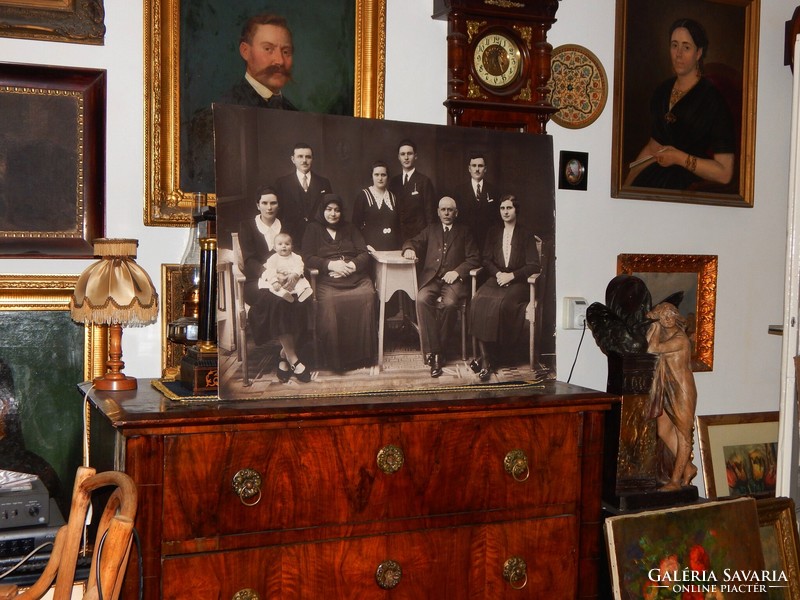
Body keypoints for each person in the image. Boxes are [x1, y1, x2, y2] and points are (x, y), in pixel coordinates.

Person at [625, 18, 735, 190]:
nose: (678, 54)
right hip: (653, 178)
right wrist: (626, 187)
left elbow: (725, 173)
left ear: (698, 53)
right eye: (674, 45)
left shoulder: (712, 100)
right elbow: (653, 147)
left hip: (689, 184)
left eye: (686, 47)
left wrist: (678, 158)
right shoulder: (662, 91)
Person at [238, 186, 310, 383]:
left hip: (288, 278)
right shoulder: (248, 226)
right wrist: (270, 274)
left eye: (273, 203)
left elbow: (297, 252)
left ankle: (283, 356)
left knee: (301, 299)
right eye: (265, 203)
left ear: (278, 205)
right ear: (258, 205)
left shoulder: (286, 224)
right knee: (279, 301)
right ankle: (294, 359)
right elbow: (250, 260)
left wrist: (291, 274)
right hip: (258, 281)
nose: (269, 207)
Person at [402, 197, 480, 377]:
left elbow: (474, 257)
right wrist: (408, 249)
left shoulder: (464, 231)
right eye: (443, 209)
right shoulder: (431, 229)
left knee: (450, 304)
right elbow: (413, 241)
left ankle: (438, 353)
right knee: (421, 299)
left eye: (450, 210)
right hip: (432, 279)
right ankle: (436, 351)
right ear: (438, 212)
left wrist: (458, 272)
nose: (446, 213)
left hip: (454, 281)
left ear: (456, 213)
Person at [301, 194, 377, 371]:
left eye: (337, 210)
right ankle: (337, 361)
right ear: (322, 210)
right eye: (329, 209)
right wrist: (330, 264)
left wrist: (352, 264)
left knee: (368, 295)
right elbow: (307, 257)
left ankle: (363, 357)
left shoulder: (350, 228)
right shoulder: (312, 229)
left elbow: (364, 253)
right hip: (328, 280)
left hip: (354, 276)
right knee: (331, 302)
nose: (333, 213)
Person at [468, 195, 541, 380]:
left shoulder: (525, 234)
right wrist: (498, 274)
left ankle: (493, 357)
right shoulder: (493, 232)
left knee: (503, 306)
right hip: (497, 278)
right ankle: (487, 358)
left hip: (519, 282)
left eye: (509, 208)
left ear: (516, 210)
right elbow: (486, 259)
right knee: (478, 301)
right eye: (502, 208)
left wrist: (512, 275)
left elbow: (534, 265)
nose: (505, 212)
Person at [645, 301, 698, 491]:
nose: (667, 319)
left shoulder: (680, 339)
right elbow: (648, 345)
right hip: (667, 388)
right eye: (663, 315)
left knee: (683, 434)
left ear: (676, 317)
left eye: (670, 315)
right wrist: (654, 326)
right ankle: (688, 467)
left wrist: (656, 327)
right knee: (663, 431)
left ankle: (676, 480)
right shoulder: (665, 334)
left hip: (682, 389)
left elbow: (652, 349)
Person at [220, 13, 298, 110]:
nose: (280, 61)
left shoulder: (293, 111)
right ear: (245, 51)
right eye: (268, 49)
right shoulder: (226, 108)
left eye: (286, 52)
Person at [273, 142, 334, 248]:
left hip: (318, 238)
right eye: (300, 156)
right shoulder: (282, 183)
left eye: (308, 157)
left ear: (312, 159)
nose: (304, 160)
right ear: (293, 159)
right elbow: (278, 213)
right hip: (291, 239)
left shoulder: (324, 183)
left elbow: (329, 210)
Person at [388, 139, 436, 242]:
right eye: (403, 154)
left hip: (418, 238)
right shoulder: (394, 182)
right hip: (397, 237)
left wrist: (428, 239)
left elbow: (430, 215)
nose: (406, 157)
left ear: (415, 156)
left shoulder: (424, 181)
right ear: (399, 157)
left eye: (409, 154)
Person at [455, 153, 501, 251]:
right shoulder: (459, 191)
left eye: (480, 166)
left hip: (488, 241)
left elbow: (498, 218)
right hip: (466, 241)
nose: (477, 169)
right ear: (469, 168)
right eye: (474, 165)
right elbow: (456, 218)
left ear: (485, 169)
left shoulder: (494, 191)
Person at [351, 160, 400, 250]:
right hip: (371, 249)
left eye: (383, 175)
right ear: (372, 176)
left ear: (387, 177)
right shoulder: (363, 196)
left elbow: (398, 226)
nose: (380, 178)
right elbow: (355, 227)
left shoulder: (393, 197)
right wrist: (363, 246)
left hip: (392, 248)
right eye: (376, 175)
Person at [262, 232, 312, 303]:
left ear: (291, 247)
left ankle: (302, 293)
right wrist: (274, 282)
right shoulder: (272, 259)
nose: (284, 246)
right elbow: (270, 271)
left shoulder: (296, 257)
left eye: (287, 244)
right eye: (280, 244)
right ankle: (283, 294)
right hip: (278, 278)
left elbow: (299, 266)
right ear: (275, 248)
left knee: (300, 282)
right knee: (274, 288)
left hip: (292, 278)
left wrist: (295, 274)